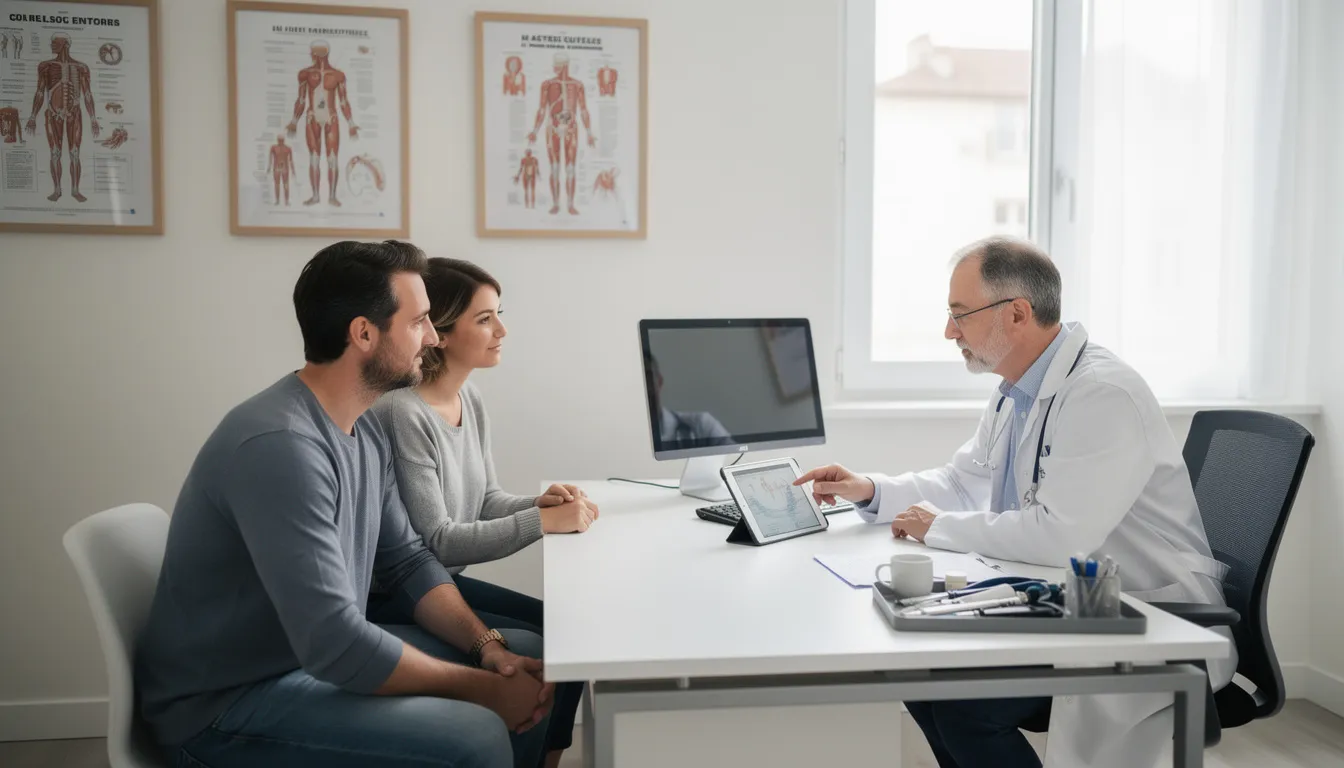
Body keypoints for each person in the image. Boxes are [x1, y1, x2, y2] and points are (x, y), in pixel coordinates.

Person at [796, 237, 1235, 768]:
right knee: (920, 678)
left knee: (966, 708)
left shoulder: (1102, 394)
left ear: (1018, 314)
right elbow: (963, 482)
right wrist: (870, 489)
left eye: (960, 315)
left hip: (1147, 615)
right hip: (1071, 602)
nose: (949, 331)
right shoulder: (1017, 390)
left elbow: (1059, 536)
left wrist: (937, 527)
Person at [135, 241, 554, 768]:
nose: (431, 338)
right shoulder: (280, 445)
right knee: (475, 733)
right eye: (420, 321)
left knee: (525, 659)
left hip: (305, 663)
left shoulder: (361, 426)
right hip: (224, 708)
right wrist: (480, 689)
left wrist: (487, 649)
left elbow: (407, 561)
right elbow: (335, 640)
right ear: (363, 334)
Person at [370, 257, 593, 768]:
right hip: (397, 595)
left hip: (442, 581)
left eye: (499, 314)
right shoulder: (402, 412)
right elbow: (439, 541)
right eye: (485, 318)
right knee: (542, 648)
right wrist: (542, 523)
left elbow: (486, 499)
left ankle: (547, 759)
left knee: (570, 634)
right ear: (440, 333)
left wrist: (540, 504)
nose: (502, 330)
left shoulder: (469, 397)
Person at [644, 350, 733, 444]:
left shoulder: (701, 425)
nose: (644, 387)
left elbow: (734, 456)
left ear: (659, 382)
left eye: (648, 378)